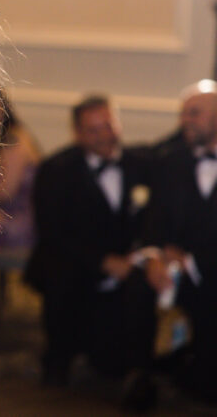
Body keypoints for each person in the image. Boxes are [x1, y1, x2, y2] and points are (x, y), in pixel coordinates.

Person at [24, 96, 158, 408]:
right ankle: (57, 361)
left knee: (140, 291)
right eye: (92, 129)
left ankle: (139, 373)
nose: (103, 135)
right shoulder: (55, 170)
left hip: (126, 263)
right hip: (73, 264)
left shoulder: (141, 165)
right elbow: (53, 234)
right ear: (77, 133)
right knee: (61, 275)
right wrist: (102, 262)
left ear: (118, 124)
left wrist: (137, 257)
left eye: (108, 125)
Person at [144, 80, 217, 404]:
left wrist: (191, 260)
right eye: (184, 113)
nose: (186, 120)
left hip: (208, 267)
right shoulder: (171, 162)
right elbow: (155, 220)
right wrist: (158, 254)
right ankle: (142, 379)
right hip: (178, 270)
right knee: (140, 285)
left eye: (195, 113)